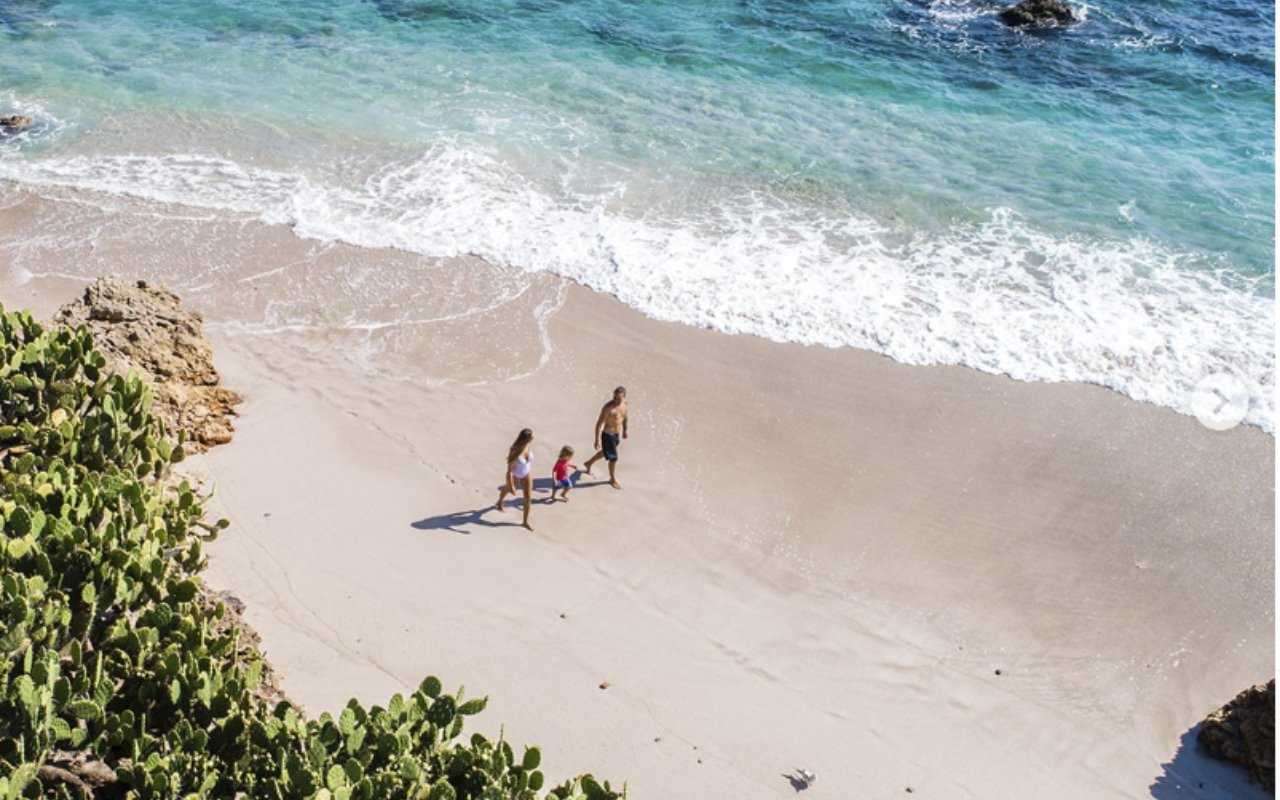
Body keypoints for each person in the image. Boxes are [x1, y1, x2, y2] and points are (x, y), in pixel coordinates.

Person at [583, 386, 628, 489]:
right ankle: (612, 479)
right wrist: (597, 440)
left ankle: (588, 463)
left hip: (616, 435)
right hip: (608, 435)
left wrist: (625, 430)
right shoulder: (608, 407)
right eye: (614, 397)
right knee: (613, 458)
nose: (615, 400)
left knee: (606, 452)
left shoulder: (625, 405)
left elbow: (624, 418)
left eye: (618, 398)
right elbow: (599, 423)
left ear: (624, 397)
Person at [496, 428, 535, 530]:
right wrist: (511, 485)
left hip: (526, 473)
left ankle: (525, 522)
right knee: (507, 489)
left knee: (528, 499)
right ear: (526, 439)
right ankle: (500, 501)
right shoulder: (515, 450)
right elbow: (509, 470)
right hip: (515, 474)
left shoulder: (529, 444)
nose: (532, 438)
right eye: (530, 437)